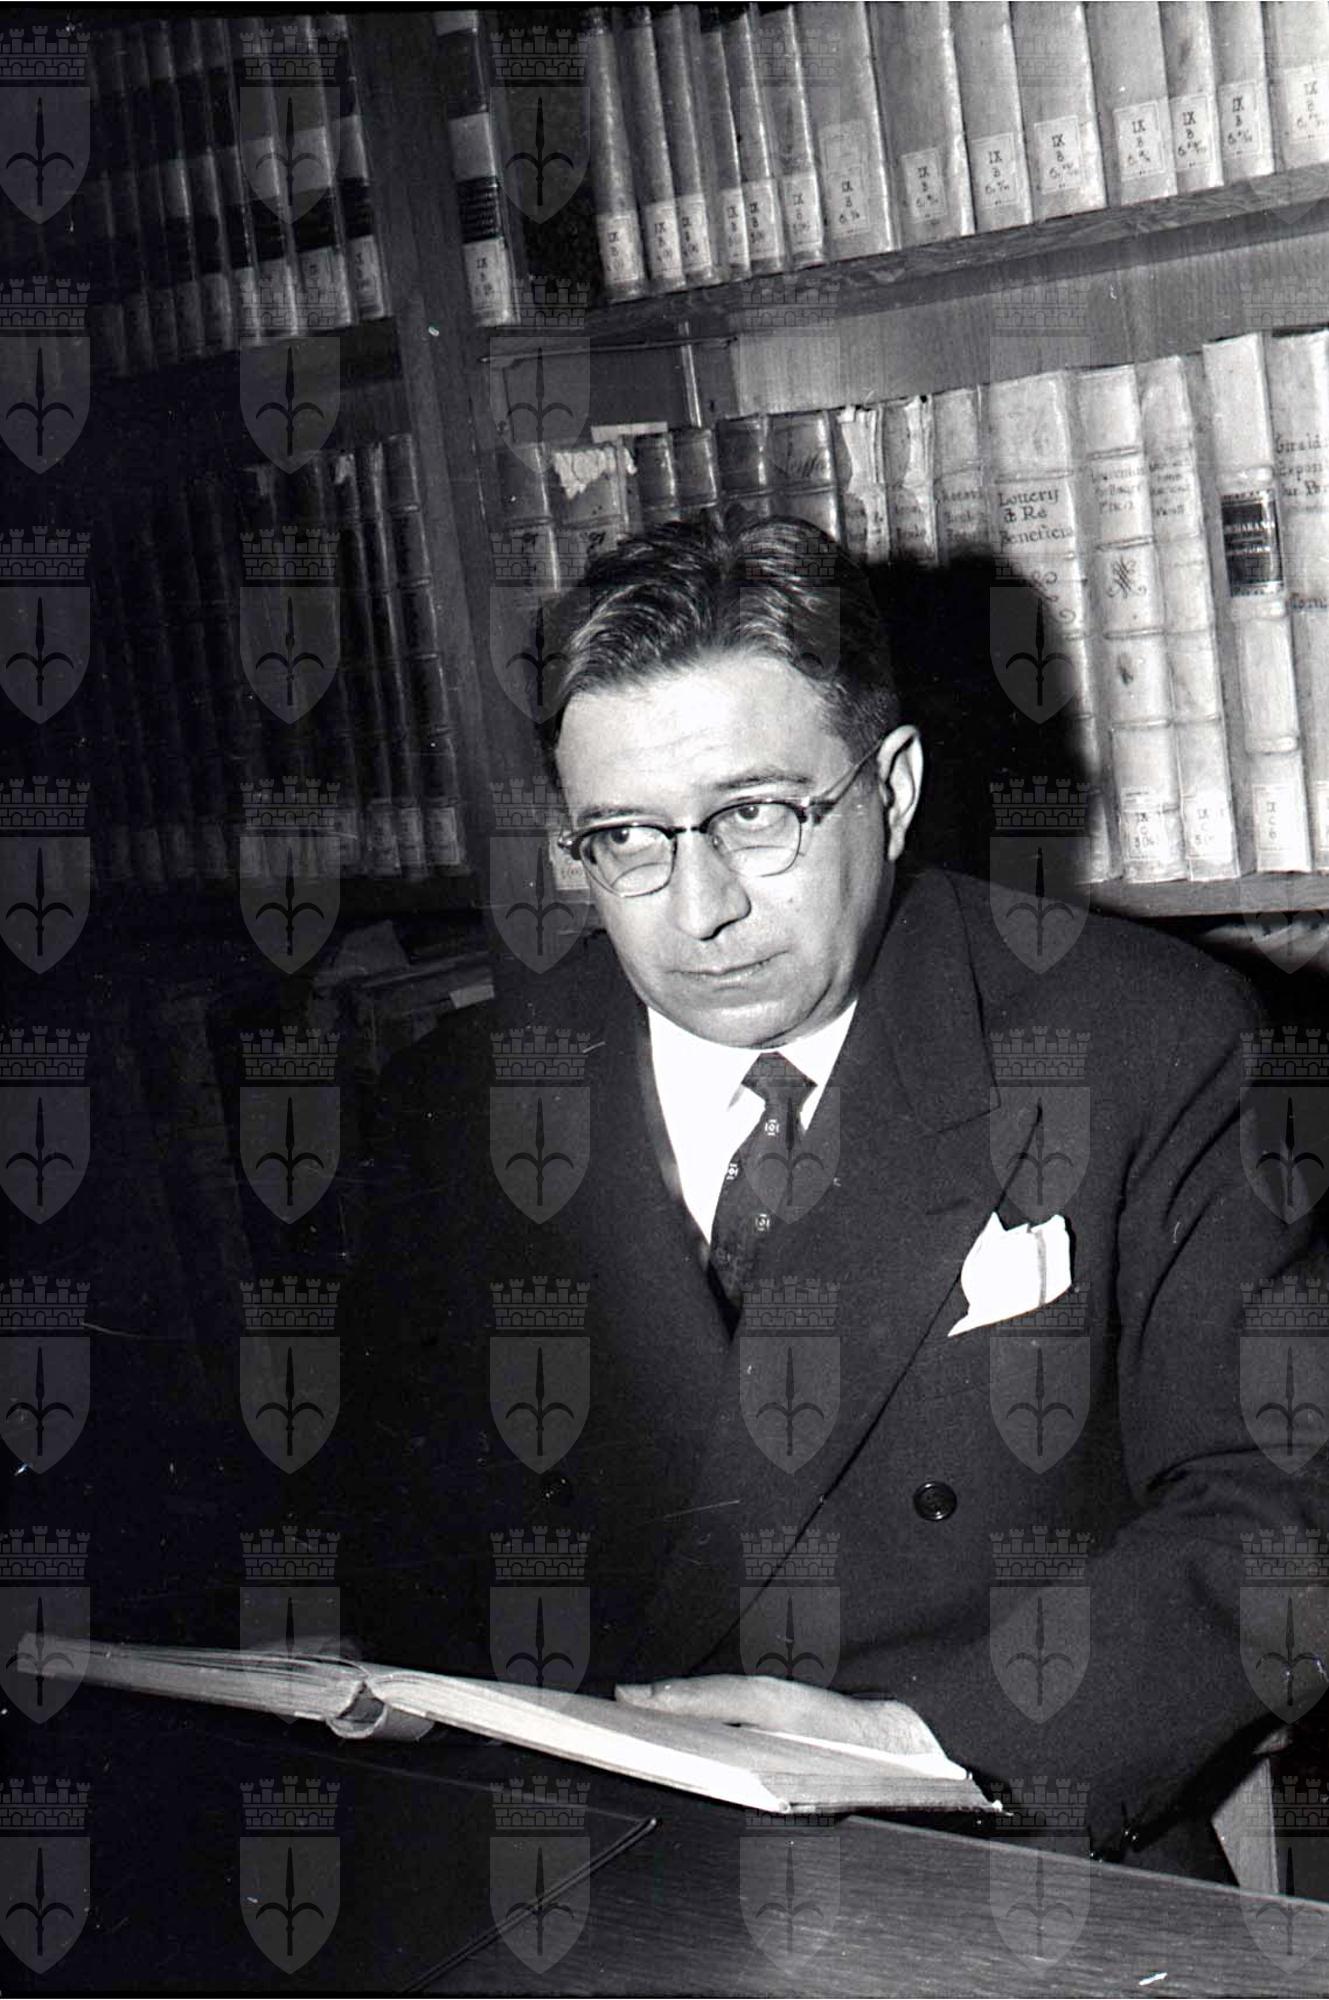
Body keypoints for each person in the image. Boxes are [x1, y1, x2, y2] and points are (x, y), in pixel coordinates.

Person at [333, 513, 1329, 1881]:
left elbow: (1278, 1514)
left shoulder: (1146, 1041)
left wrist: (924, 1745)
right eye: (625, 838)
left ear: (893, 791)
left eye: (755, 816)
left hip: (1007, 1845)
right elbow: (389, 1551)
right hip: (596, 1866)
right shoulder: (465, 1097)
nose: (700, 909)